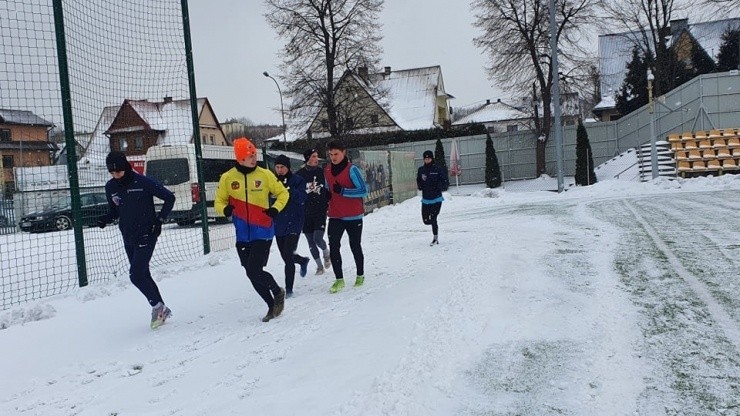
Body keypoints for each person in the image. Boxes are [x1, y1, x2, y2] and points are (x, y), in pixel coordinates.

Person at [97, 151, 176, 329]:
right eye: (112, 172)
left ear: (126, 167)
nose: (116, 175)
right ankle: (162, 309)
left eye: (118, 171)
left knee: (136, 275)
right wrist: (106, 218)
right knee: (143, 274)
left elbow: (169, 198)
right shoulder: (111, 187)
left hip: (147, 233)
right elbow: (115, 210)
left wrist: (159, 220)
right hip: (128, 235)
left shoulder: (143, 182)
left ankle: (157, 307)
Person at [215, 137, 289, 322]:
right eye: (249, 155)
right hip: (242, 233)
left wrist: (275, 208)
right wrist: (224, 209)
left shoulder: (265, 175)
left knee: (254, 270)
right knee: (250, 273)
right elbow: (219, 201)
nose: (254, 158)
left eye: (255, 154)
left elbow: (283, 193)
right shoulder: (227, 178)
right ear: (239, 158)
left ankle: (277, 290)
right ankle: (271, 306)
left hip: (262, 231)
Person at [324, 140, 368, 293]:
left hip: (353, 215)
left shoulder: (352, 169)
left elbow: (363, 190)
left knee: (355, 245)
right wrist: (326, 194)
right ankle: (339, 279)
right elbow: (328, 189)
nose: (333, 157)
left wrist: (343, 191)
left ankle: (360, 274)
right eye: (331, 154)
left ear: (344, 153)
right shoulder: (327, 170)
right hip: (335, 214)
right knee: (334, 246)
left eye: (336, 154)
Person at [272, 155, 310, 298]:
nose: (280, 170)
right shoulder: (273, 182)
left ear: (288, 167)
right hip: (279, 222)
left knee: (288, 255)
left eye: (282, 167)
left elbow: (302, 198)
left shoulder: (298, 180)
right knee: (285, 255)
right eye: (277, 167)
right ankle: (302, 260)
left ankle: (289, 289)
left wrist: (289, 190)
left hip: (294, 222)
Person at [294, 148, 331, 275]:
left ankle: (326, 253)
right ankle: (319, 266)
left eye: (317, 156)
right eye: (314, 156)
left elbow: (328, 188)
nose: (317, 159)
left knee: (317, 238)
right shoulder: (299, 175)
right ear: (308, 158)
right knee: (310, 241)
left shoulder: (322, 172)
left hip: (320, 210)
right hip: (305, 212)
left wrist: (328, 198)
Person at [416, 150, 448, 246]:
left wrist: (439, 186)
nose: (427, 160)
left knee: (433, 218)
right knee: (426, 221)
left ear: (432, 158)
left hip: (436, 198)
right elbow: (418, 180)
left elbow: (445, 180)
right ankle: (434, 224)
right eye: (425, 159)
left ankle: (435, 238)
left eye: (429, 158)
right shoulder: (421, 170)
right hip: (426, 199)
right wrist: (420, 186)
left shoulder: (437, 169)